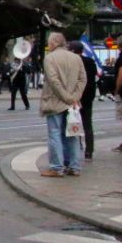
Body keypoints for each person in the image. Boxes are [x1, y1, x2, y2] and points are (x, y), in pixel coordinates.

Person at [39, 31, 86, 176]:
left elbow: (53, 81)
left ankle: (57, 167)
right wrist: (74, 97)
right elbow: (82, 79)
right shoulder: (76, 58)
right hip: (72, 103)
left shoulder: (49, 58)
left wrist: (66, 97)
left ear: (53, 43)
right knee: (73, 134)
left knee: (55, 134)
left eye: (49, 42)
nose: (48, 44)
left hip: (55, 102)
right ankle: (74, 166)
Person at [70, 41, 98, 161]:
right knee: (87, 124)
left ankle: (77, 147)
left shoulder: (72, 62)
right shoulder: (90, 61)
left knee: (74, 122)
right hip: (88, 97)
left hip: (76, 96)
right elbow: (93, 77)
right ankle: (89, 151)